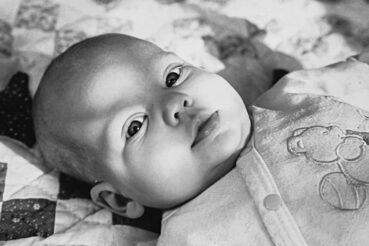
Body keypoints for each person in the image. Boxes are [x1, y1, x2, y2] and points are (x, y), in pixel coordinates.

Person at [33, 33, 369, 245]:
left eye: (173, 75)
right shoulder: (185, 237)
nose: (175, 101)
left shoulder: (299, 95)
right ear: (120, 200)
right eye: (134, 126)